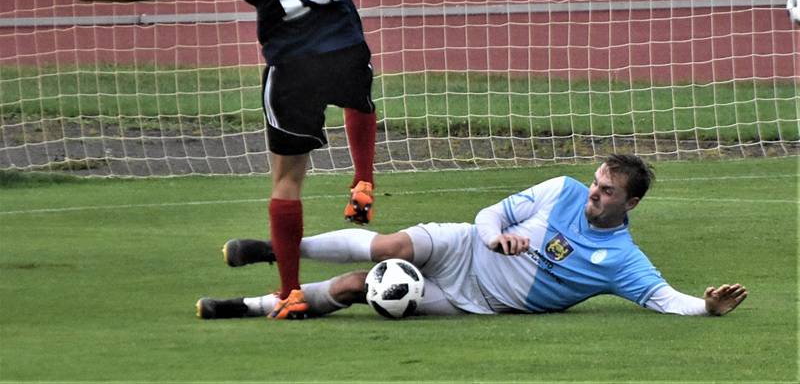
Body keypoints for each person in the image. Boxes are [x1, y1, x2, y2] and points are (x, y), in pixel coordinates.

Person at [48, 0, 379, 319]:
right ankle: (362, 181)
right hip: (344, 49)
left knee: (287, 181)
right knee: (359, 98)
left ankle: (289, 293)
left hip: (292, 68)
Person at [196, 154, 747, 319]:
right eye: (596, 183)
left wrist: (706, 307)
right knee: (390, 246)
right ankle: (279, 249)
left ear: (631, 203)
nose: (593, 193)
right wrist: (493, 238)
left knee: (356, 286)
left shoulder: (621, 260)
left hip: (473, 298)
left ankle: (245, 307)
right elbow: (491, 213)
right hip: (462, 244)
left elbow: (663, 297)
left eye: (606, 192)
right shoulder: (560, 189)